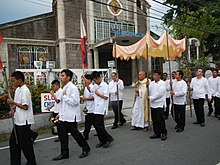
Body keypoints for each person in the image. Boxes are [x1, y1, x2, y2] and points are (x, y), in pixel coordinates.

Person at [52, 69, 90, 161]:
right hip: (64, 116)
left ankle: (85, 147)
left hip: (71, 116)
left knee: (75, 134)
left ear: (68, 77)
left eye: (63, 76)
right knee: (63, 135)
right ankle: (64, 153)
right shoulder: (64, 88)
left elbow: (75, 102)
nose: (60, 78)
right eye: (60, 76)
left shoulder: (73, 88)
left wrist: (65, 97)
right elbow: (63, 105)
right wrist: (60, 114)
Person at [7, 71, 37, 165]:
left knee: (25, 145)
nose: (13, 83)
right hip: (18, 120)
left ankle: (32, 162)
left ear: (20, 80)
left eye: (13, 81)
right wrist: (12, 110)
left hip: (24, 121)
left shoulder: (25, 90)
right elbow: (16, 104)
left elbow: (25, 107)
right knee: (14, 143)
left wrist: (13, 103)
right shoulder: (17, 90)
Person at [91, 71, 114, 148]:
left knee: (97, 124)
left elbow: (106, 97)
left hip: (102, 107)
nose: (94, 82)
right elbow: (92, 93)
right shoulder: (95, 86)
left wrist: (98, 94)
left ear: (98, 78)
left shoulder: (105, 85)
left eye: (95, 80)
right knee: (99, 125)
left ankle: (108, 138)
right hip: (96, 107)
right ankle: (102, 140)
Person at [147, 70, 167, 141]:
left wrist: (151, 98)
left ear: (159, 75)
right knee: (154, 119)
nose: (154, 76)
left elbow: (160, 94)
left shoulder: (162, 83)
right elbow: (148, 91)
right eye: (153, 75)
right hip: (153, 104)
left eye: (155, 75)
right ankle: (156, 132)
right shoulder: (151, 83)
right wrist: (146, 86)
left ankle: (163, 132)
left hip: (160, 104)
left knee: (160, 119)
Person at [80, 74, 95, 140]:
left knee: (88, 123)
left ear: (89, 80)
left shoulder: (92, 87)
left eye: (85, 79)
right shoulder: (86, 87)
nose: (84, 81)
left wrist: (85, 98)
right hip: (88, 107)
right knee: (94, 122)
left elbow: (93, 97)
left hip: (92, 108)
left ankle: (85, 134)